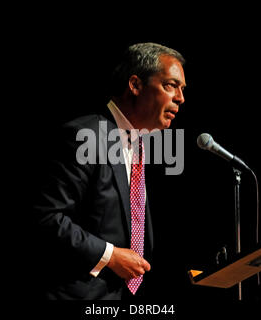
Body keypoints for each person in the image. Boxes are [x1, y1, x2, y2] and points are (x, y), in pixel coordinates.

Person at [31, 42, 186, 300]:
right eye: (170, 85)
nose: (181, 98)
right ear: (135, 85)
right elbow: (45, 217)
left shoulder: (138, 144)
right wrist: (110, 255)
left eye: (182, 89)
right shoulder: (85, 136)